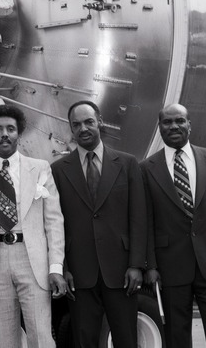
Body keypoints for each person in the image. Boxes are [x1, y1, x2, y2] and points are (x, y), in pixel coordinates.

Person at [141, 103, 206, 348]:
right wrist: (150, 265)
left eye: (179, 121)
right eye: (167, 122)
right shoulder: (146, 168)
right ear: (160, 127)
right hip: (170, 268)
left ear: (189, 125)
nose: (174, 126)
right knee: (177, 338)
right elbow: (145, 221)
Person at [0, 104, 69, 348]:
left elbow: (54, 221)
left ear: (18, 133)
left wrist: (56, 266)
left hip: (33, 261)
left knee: (41, 337)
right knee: (4, 339)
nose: (5, 134)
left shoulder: (40, 168)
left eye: (10, 129)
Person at [51, 101, 146, 348]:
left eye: (88, 121)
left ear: (99, 121)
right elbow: (54, 223)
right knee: (84, 341)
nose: (83, 128)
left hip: (122, 271)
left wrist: (137, 264)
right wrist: (63, 267)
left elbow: (139, 217)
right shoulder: (58, 170)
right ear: (70, 129)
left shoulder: (127, 164)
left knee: (126, 340)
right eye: (76, 124)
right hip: (79, 275)